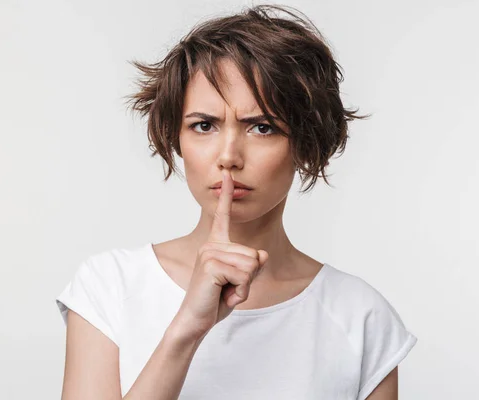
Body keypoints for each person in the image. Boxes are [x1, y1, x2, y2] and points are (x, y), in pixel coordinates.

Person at [56, 4, 417, 399]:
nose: (229, 156)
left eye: (262, 127)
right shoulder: (109, 287)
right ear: (176, 137)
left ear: (305, 144)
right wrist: (186, 330)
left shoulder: (359, 315)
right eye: (204, 126)